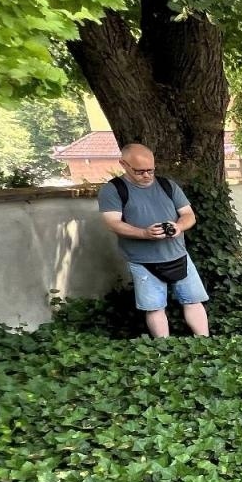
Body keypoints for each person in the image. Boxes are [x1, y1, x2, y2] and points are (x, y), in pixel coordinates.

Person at [96, 143, 210, 338]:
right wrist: (144, 234)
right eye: (140, 171)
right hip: (143, 261)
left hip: (178, 255)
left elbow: (189, 215)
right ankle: (163, 350)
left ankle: (205, 342)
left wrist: (178, 227)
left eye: (151, 170)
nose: (147, 175)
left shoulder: (167, 185)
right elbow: (112, 223)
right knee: (155, 307)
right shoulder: (113, 190)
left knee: (193, 301)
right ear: (124, 164)